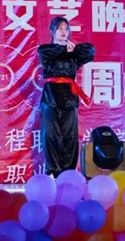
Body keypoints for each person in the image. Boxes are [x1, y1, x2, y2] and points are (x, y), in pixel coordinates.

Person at [38, 17, 95, 177]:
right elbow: (50, 52)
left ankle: (68, 172)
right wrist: (65, 49)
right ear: (52, 31)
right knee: (51, 135)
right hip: (51, 97)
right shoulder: (46, 50)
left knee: (70, 136)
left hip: (69, 97)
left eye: (66, 29)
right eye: (60, 28)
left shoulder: (73, 53)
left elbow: (90, 51)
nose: (63, 32)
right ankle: (53, 171)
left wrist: (74, 49)